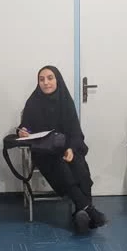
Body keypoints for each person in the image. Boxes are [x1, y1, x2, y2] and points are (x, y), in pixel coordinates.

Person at [18, 65, 106, 233]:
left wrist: (71, 148)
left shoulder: (66, 101)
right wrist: (22, 131)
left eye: (50, 78)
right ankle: (89, 210)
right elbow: (25, 127)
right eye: (41, 79)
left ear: (57, 80)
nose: (46, 82)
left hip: (67, 147)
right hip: (44, 151)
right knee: (61, 167)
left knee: (80, 166)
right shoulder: (33, 102)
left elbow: (75, 131)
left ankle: (81, 212)